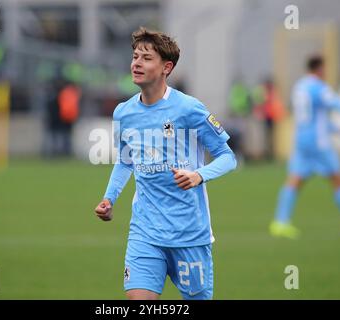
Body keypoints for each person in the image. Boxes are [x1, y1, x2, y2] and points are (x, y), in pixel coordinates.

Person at [94, 27, 237, 300]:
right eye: (135, 56)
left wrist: (199, 175)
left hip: (189, 234)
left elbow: (228, 157)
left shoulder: (189, 108)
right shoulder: (123, 112)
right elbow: (125, 162)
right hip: (145, 232)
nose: (136, 63)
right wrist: (109, 198)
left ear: (166, 67)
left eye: (146, 58)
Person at [269, 55, 340, 239]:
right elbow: (335, 104)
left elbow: (314, 117)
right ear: (319, 69)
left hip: (301, 141)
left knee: (294, 180)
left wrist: (337, 129)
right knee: (337, 179)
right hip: (319, 143)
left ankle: (280, 222)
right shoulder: (319, 87)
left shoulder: (299, 87)